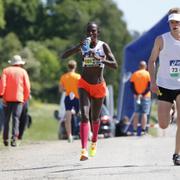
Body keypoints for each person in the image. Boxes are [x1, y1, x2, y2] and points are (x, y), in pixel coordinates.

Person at [61, 22, 118, 161]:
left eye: (93, 31)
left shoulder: (103, 46)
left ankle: (94, 143)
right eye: (88, 31)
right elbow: (64, 56)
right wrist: (78, 47)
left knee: (95, 118)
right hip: (84, 84)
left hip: (98, 85)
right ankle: (83, 150)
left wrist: (100, 58)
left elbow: (115, 65)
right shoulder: (84, 46)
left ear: (98, 32)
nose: (91, 34)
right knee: (85, 116)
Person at [148, 7, 180, 165]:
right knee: (163, 124)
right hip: (165, 84)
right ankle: (172, 105)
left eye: (177, 22)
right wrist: (152, 81)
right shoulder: (161, 39)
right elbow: (152, 60)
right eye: (172, 22)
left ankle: (177, 154)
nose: (174, 24)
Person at [0, 55, 30, 147]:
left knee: (6, 119)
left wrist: (1, 96)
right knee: (16, 119)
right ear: (20, 64)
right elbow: (27, 87)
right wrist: (25, 98)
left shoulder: (6, 71)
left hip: (7, 99)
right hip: (19, 99)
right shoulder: (23, 72)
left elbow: (2, 84)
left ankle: (5, 139)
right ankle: (14, 139)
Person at [59, 60, 81, 142]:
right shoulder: (78, 76)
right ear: (75, 67)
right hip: (77, 97)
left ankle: (69, 135)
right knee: (82, 116)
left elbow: (61, 89)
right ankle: (86, 132)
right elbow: (81, 88)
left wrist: (67, 88)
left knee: (68, 117)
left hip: (68, 97)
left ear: (68, 67)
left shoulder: (64, 77)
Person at [130, 61, 151, 136]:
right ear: (145, 66)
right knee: (144, 113)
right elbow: (149, 86)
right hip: (146, 97)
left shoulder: (135, 74)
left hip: (137, 97)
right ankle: (143, 130)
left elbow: (132, 86)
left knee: (136, 112)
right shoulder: (147, 74)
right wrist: (142, 94)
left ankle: (135, 130)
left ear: (139, 66)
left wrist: (138, 94)